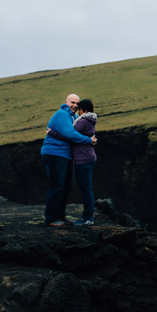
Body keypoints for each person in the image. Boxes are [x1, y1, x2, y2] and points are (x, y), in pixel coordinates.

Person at [41, 94, 96, 226]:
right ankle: (51, 218)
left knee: (65, 187)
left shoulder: (75, 117)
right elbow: (70, 135)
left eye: (77, 104)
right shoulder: (62, 115)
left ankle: (60, 216)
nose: (75, 105)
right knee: (57, 186)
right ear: (66, 102)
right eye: (72, 102)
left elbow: (76, 135)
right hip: (54, 153)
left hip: (66, 155)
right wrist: (89, 140)